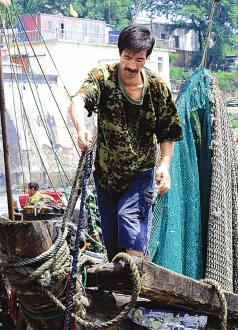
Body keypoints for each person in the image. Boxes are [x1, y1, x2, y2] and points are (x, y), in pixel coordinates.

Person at [69, 24, 183, 261]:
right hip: (107, 175)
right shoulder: (103, 77)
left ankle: (136, 278)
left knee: (130, 222)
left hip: (140, 173)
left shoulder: (157, 88)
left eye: (139, 60)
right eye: (127, 57)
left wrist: (164, 166)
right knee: (112, 241)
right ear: (120, 52)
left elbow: (168, 132)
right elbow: (78, 100)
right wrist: (81, 129)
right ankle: (120, 283)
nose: (132, 65)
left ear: (146, 58)